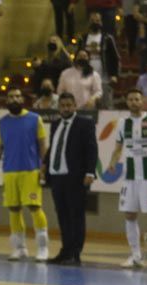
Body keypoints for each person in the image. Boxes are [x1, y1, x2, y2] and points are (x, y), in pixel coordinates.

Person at [0, 88, 51, 261]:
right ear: (7, 100)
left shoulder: (35, 119)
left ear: (23, 99)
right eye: (11, 96)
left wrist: (44, 168)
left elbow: (43, 147)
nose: (14, 99)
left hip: (31, 171)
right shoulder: (2, 123)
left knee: (34, 207)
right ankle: (19, 248)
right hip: (10, 172)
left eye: (18, 96)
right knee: (13, 209)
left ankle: (43, 247)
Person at [44, 93, 98, 265]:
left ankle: (75, 253)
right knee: (62, 215)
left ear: (75, 106)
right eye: (63, 105)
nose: (66, 108)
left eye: (69, 105)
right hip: (57, 176)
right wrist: (45, 165)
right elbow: (53, 147)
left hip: (75, 177)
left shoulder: (85, 123)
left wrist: (90, 172)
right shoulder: (55, 124)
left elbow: (92, 149)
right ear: (59, 107)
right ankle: (65, 250)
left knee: (76, 215)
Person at [108, 89, 147, 267]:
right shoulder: (122, 123)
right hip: (130, 176)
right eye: (131, 99)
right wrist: (112, 161)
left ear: (143, 101)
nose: (134, 102)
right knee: (129, 214)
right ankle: (136, 256)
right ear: (126, 102)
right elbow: (118, 148)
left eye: (137, 99)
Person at [81, 12, 121, 109]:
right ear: (89, 22)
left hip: (104, 74)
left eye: (97, 20)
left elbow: (115, 57)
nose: (95, 23)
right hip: (86, 74)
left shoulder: (107, 38)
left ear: (101, 22)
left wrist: (114, 75)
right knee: (88, 103)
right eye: (93, 21)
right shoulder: (83, 38)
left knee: (106, 103)